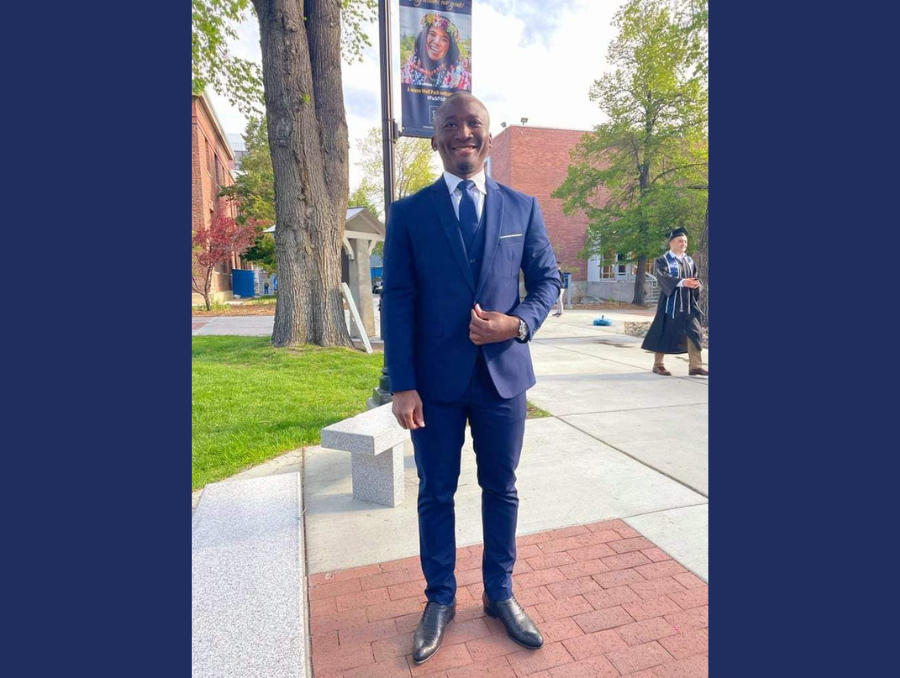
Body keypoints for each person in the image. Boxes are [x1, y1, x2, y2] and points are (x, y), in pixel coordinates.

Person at [382, 92, 560, 665]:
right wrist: (401, 382)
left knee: (501, 489)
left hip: (503, 382)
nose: (464, 133)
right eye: (451, 125)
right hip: (432, 385)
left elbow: (548, 282)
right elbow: (400, 301)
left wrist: (518, 324)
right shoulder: (409, 214)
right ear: (435, 138)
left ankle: (499, 595)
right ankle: (439, 600)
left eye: (474, 124)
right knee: (436, 492)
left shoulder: (523, 207)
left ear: (487, 136)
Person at [641, 228, 708, 376]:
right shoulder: (663, 260)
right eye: (680, 241)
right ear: (671, 243)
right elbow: (662, 278)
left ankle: (695, 366)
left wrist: (697, 283)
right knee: (665, 330)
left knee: (694, 332)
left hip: (688, 303)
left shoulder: (689, 260)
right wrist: (683, 282)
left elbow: (695, 277)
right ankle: (658, 364)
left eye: (685, 241)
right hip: (670, 302)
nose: (683, 244)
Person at [401, 13, 472, 90]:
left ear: (450, 47)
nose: (437, 42)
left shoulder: (461, 78)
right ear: (424, 36)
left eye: (444, 39)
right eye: (432, 34)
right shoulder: (405, 71)